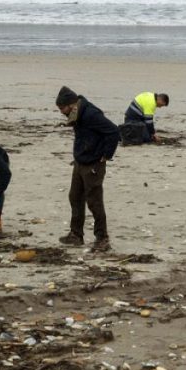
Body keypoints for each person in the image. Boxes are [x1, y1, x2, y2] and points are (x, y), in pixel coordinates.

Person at [55, 86, 121, 252]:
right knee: (75, 197)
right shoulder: (77, 114)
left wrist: (106, 155)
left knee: (94, 201)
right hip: (80, 161)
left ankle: (102, 238)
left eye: (62, 108)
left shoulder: (91, 114)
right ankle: (76, 235)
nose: (61, 112)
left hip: (93, 163)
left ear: (71, 104)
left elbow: (113, 131)